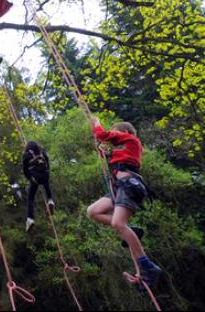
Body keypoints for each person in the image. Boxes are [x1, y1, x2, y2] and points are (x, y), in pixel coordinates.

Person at [87, 117, 162, 287]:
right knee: (93, 211)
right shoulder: (124, 150)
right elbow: (109, 149)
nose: (115, 135)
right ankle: (130, 230)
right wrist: (104, 152)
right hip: (118, 188)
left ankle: (148, 267)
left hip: (129, 186)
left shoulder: (132, 140)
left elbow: (103, 134)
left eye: (117, 131)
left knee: (117, 223)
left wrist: (97, 124)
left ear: (126, 132)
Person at [22, 141, 55, 232]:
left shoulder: (26, 155)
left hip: (35, 177)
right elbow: (47, 164)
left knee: (30, 198)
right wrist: (46, 174)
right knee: (46, 184)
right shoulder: (42, 152)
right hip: (44, 175)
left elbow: (25, 170)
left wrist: (30, 178)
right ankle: (50, 200)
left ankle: (30, 218)